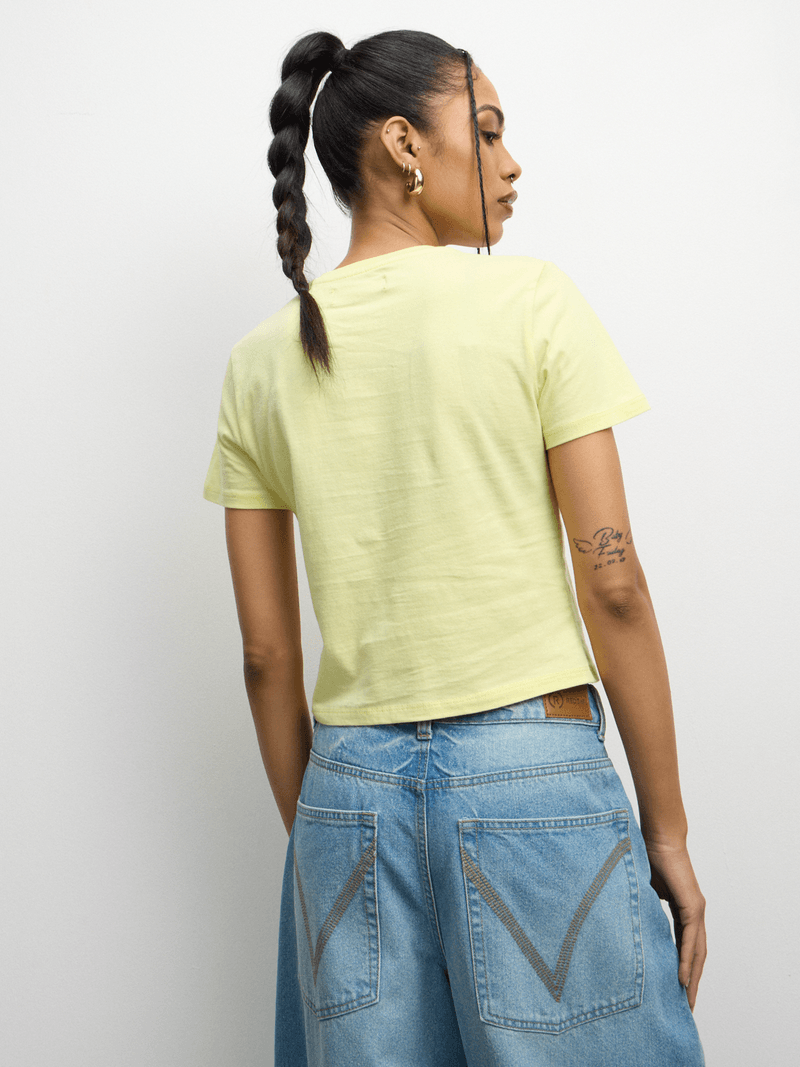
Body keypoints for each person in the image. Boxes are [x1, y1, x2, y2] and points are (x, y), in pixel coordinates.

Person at [203, 28, 707, 1067]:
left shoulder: (259, 361)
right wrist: (667, 833)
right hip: (531, 779)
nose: (510, 163)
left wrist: (328, 835)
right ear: (402, 144)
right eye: (486, 131)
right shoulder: (530, 301)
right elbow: (612, 582)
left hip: (345, 793)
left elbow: (264, 655)